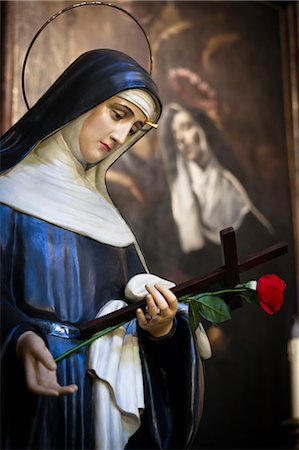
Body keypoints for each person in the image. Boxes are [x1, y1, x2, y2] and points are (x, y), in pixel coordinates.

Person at [0, 49, 206, 450]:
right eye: (118, 114)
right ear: (82, 98)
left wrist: (162, 328)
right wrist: (20, 338)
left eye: (134, 129)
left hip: (95, 410)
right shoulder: (7, 192)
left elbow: (140, 326)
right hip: (25, 403)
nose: (119, 137)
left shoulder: (110, 222)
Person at [159, 103, 273, 254]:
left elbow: (263, 238)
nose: (181, 138)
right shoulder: (180, 197)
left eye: (186, 127)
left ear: (202, 130)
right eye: (175, 135)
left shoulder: (230, 178)